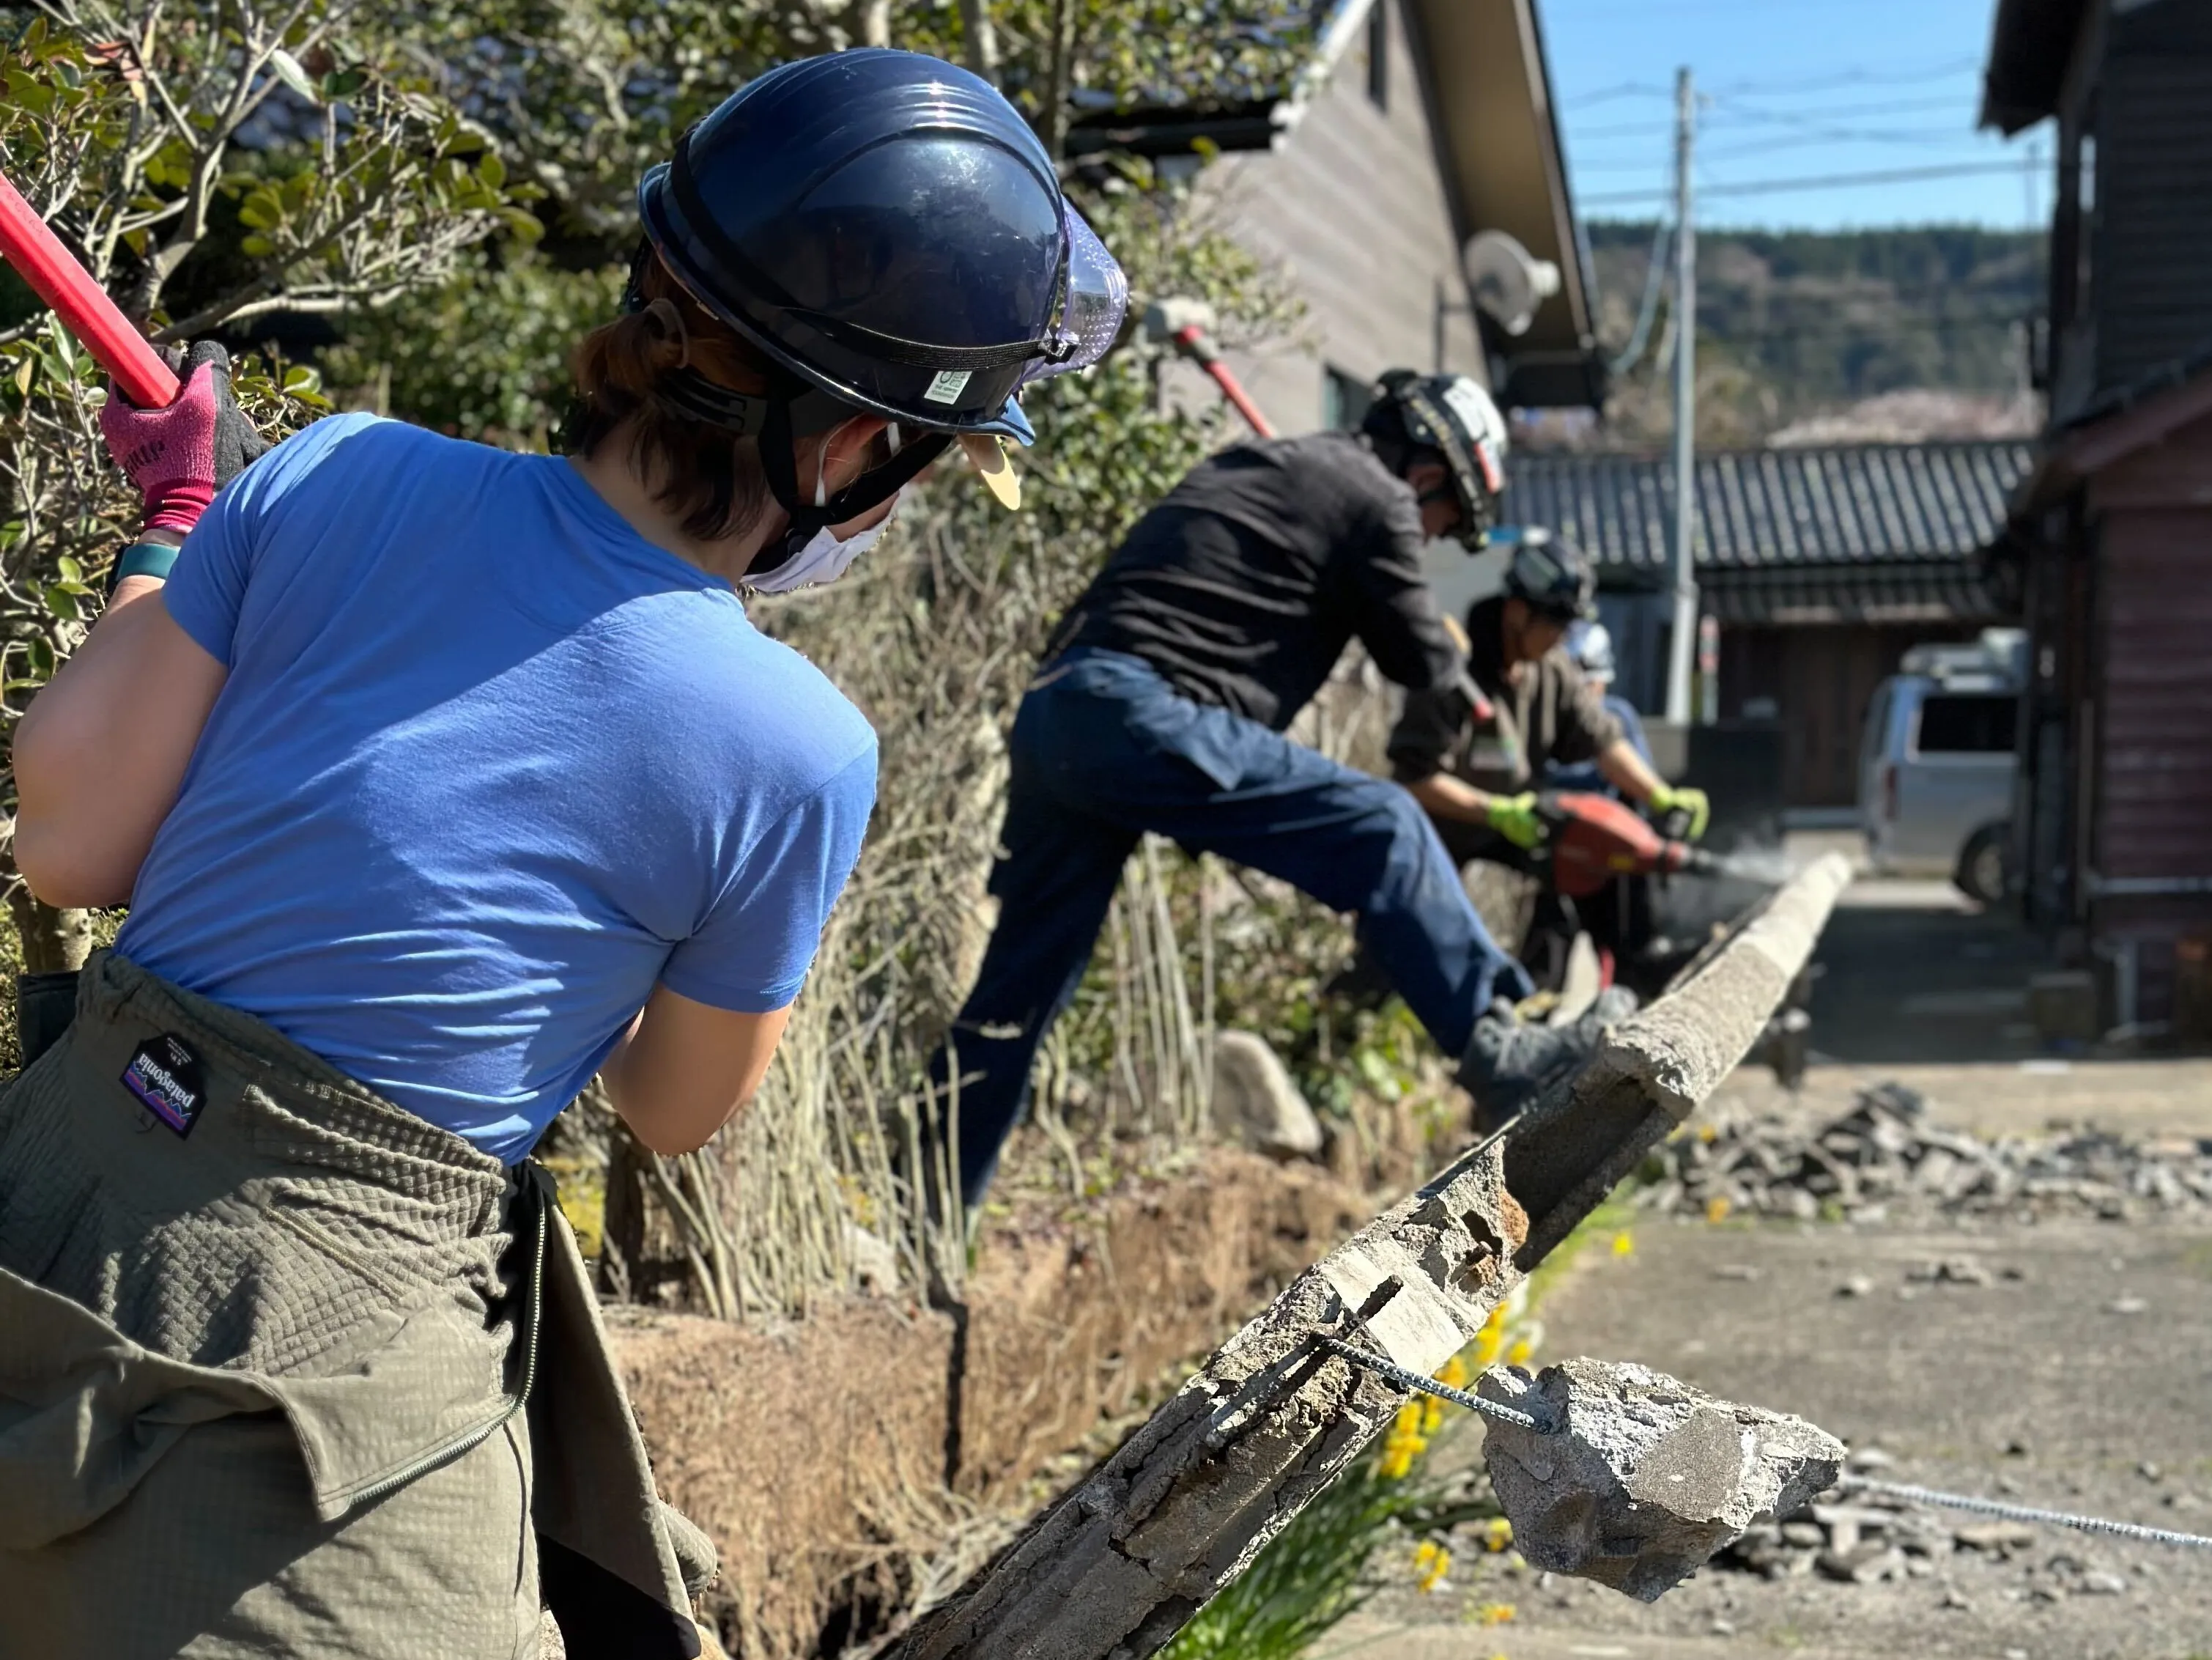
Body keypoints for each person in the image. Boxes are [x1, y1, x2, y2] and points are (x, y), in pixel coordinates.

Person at [0, 50, 1122, 1659]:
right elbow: (671, 1109)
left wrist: (183, 510)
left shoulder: (334, 472)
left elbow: (70, 836)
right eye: (943, 454)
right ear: (850, 447)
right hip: (308, 1342)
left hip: (43, 1200)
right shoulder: (798, 744)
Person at [930, 370, 1626, 1208]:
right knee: (1384, 825)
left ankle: (932, 1201)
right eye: (1447, 523)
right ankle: (1499, 1047)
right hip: (1140, 713)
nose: (1435, 540)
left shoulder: (1279, 463)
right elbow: (1421, 667)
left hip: (1062, 712)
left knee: (1022, 987)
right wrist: (1443, 645)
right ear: (1431, 475)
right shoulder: (1379, 499)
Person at [1387, 531, 1706, 990]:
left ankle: (1634, 962)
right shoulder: (1454, 670)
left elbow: (1603, 740)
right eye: (1554, 624)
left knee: (1607, 838)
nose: (1561, 638)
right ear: (1518, 611)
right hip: (1446, 841)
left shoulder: (1551, 669)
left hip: (1516, 834)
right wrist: (1493, 811)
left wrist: (1659, 796)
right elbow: (1413, 779)